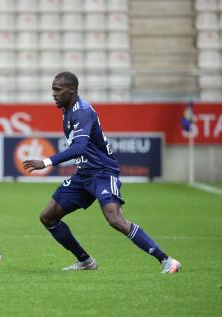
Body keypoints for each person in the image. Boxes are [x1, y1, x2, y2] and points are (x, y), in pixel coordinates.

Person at [22, 71, 181, 273]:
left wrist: (45, 162)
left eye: (57, 89)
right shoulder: (67, 111)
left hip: (103, 173)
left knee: (115, 219)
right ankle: (85, 261)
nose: (53, 94)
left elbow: (79, 148)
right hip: (84, 174)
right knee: (48, 217)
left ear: (72, 90)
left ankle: (167, 260)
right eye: (53, 89)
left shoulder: (83, 111)